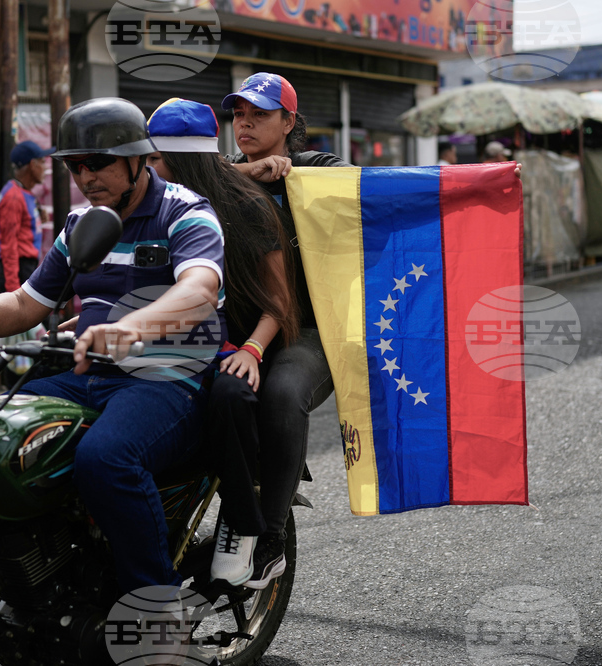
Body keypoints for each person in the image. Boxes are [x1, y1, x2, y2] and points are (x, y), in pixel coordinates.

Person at [0, 97, 225, 594]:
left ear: (138, 160)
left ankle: (156, 606)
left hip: (166, 379)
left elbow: (199, 289)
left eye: (99, 163)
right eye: (75, 166)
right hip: (84, 373)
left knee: (105, 459)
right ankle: (30, 584)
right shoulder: (80, 224)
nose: (86, 176)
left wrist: (133, 327)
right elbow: (24, 305)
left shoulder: (185, 211)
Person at [145, 98, 299, 588]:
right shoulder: (150, 205)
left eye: (153, 161)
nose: (144, 171)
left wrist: (252, 350)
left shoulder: (248, 203)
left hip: (241, 343)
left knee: (231, 394)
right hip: (173, 341)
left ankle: (245, 521)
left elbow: (280, 303)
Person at [222, 72, 348, 587]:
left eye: (259, 113)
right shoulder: (225, 171)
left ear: (289, 122)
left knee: (282, 393)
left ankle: (270, 536)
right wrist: (248, 174)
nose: (245, 122)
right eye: (237, 113)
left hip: (310, 331)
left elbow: (364, 189)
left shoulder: (321, 169)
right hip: (240, 326)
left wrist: (293, 173)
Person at [0, 140, 54, 294]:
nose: (45, 168)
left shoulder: (23, 192)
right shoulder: (13, 197)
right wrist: (13, 293)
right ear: (33, 165)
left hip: (26, 269)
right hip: (17, 273)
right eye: (42, 162)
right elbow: (8, 248)